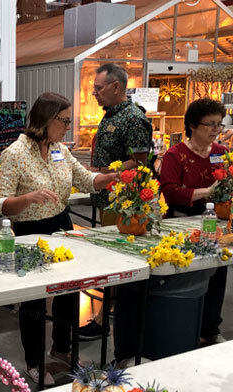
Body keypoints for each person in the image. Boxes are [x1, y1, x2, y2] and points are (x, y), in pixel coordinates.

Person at [0, 92, 118, 385]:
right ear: (45, 120)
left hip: (61, 226)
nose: (67, 127)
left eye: (68, 121)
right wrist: (28, 198)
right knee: (34, 302)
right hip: (29, 232)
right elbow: (1, 203)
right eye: (63, 121)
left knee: (68, 292)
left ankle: (61, 349)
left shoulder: (60, 149)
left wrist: (113, 176)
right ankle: (34, 362)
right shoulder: (15, 153)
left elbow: (86, 180)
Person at [85, 63, 153, 340]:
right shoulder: (111, 115)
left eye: (98, 89)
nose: (94, 94)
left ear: (116, 87)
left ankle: (106, 322)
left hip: (123, 203)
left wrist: (102, 173)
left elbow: (139, 162)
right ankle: (105, 319)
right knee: (107, 257)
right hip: (108, 198)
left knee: (116, 261)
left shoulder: (133, 118)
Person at [160, 97, 228, 346]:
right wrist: (207, 192)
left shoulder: (222, 154)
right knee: (185, 278)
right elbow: (170, 191)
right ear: (192, 125)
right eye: (209, 124)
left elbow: (232, 181)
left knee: (217, 273)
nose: (215, 130)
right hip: (182, 224)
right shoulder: (175, 155)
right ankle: (180, 327)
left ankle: (210, 328)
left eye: (218, 124)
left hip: (215, 224)